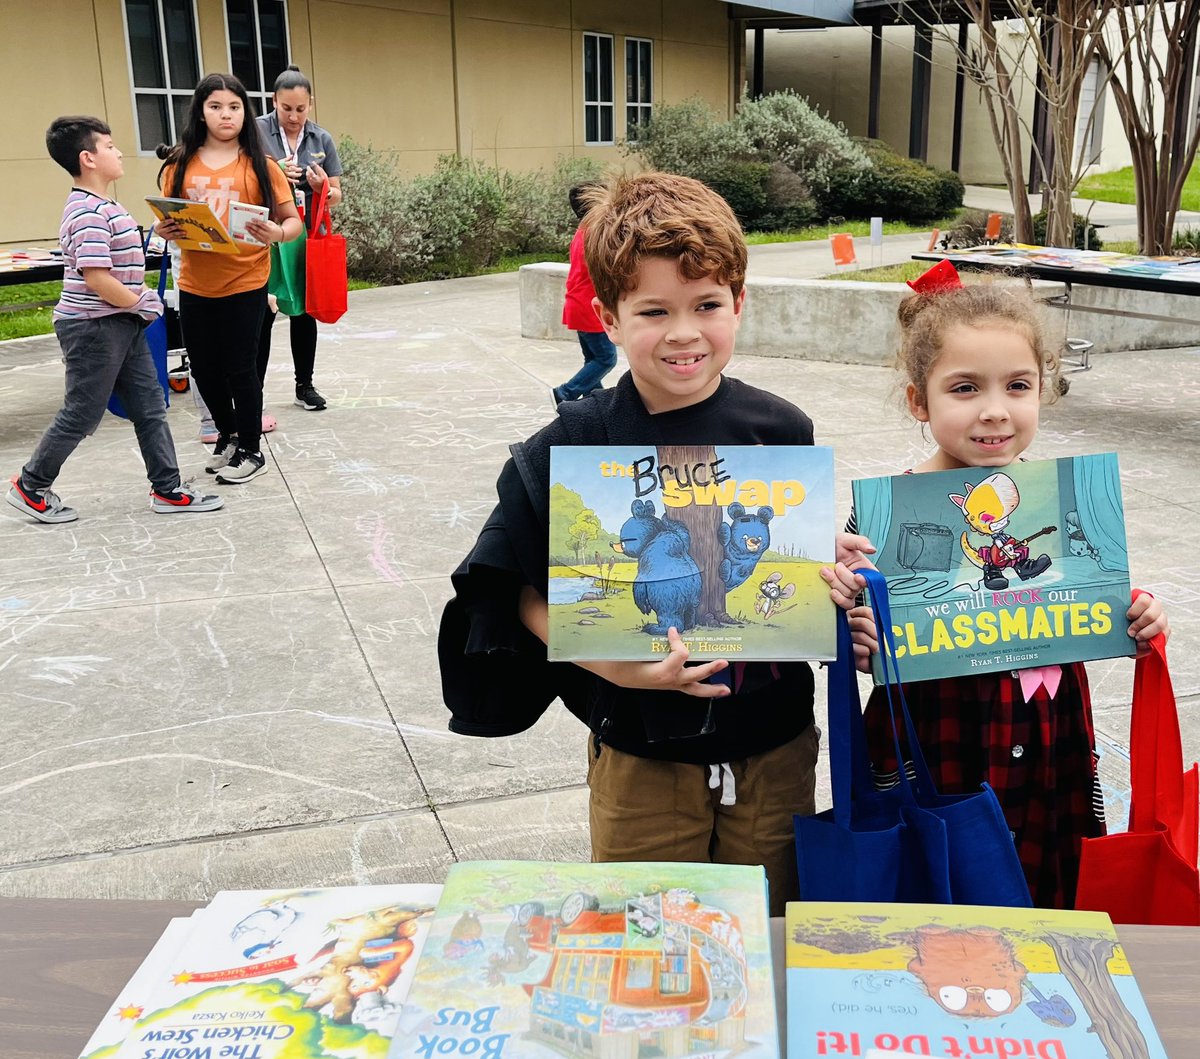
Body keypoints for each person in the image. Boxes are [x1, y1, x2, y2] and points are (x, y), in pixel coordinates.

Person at [438, 172, 873, 916]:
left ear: (739, 303)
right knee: (643, 930)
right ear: (608, 317)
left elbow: (777, 564)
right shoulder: (573, 445)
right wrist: (624, 670)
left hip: (773, 743)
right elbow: (509, 589)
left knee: (766, 925)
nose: (683, 333)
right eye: (653, 310)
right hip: (640, 749)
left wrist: (822, 564)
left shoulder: (781, 431)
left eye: (706, 305)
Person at [834, 262, 1170, 909]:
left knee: (1044, 874)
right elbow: (845, 626)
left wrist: (1139, 613)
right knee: (937, 879)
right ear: (919, 400)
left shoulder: (1062, 500)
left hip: (1048, 729)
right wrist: (848, 623)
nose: (995, 411)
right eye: (964, 388)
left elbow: (1097, 594)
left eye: (1018, 385)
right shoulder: (884, 516)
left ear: (1044, 388)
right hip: (938, 731)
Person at [6, 116, 222, 524]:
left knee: (150, 406)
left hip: (121, 323)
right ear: (87, 158)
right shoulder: (87, 211)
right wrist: (143, 304)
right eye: (109, 146)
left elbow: (116, 259)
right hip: (94, 327)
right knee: (82, 412)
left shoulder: (104, 205)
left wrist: (157, 234)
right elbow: (97, 277)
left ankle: (168, 489)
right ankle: (30, 485)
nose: (118, 151)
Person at [155, 74, 302, 486]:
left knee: (241, 369)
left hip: (246, 280)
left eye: (234, 107)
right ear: (201, 111)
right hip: (195, 282)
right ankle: (229, 436)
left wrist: (277, 233)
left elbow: (292, 223)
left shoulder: (261, 165)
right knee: (203, 369)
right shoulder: (179, 164)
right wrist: (166, 230)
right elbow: (169, 216)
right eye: (216, 106)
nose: (225, 114)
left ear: (245, 112)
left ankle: (252, 450)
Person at [255, 64, 343, 412]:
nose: (293, 116)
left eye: (301, 109)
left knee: (304, 309)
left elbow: (337, 193)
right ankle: (253, 390)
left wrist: (323, 187)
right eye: (286, 108)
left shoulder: (321, 138)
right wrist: (274, 170)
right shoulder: (256, 131)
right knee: (263, 310)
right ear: (274, 101)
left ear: (311, 104)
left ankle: (304, 384)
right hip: (264, 230)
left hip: (304, 232)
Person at [552, 182, 617, 405]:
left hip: (578, 304)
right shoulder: (594, 234)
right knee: (606, 359)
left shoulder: (582, 232)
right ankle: (565, 393)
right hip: (589, 306)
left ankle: (593, 401)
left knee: (593, 359)